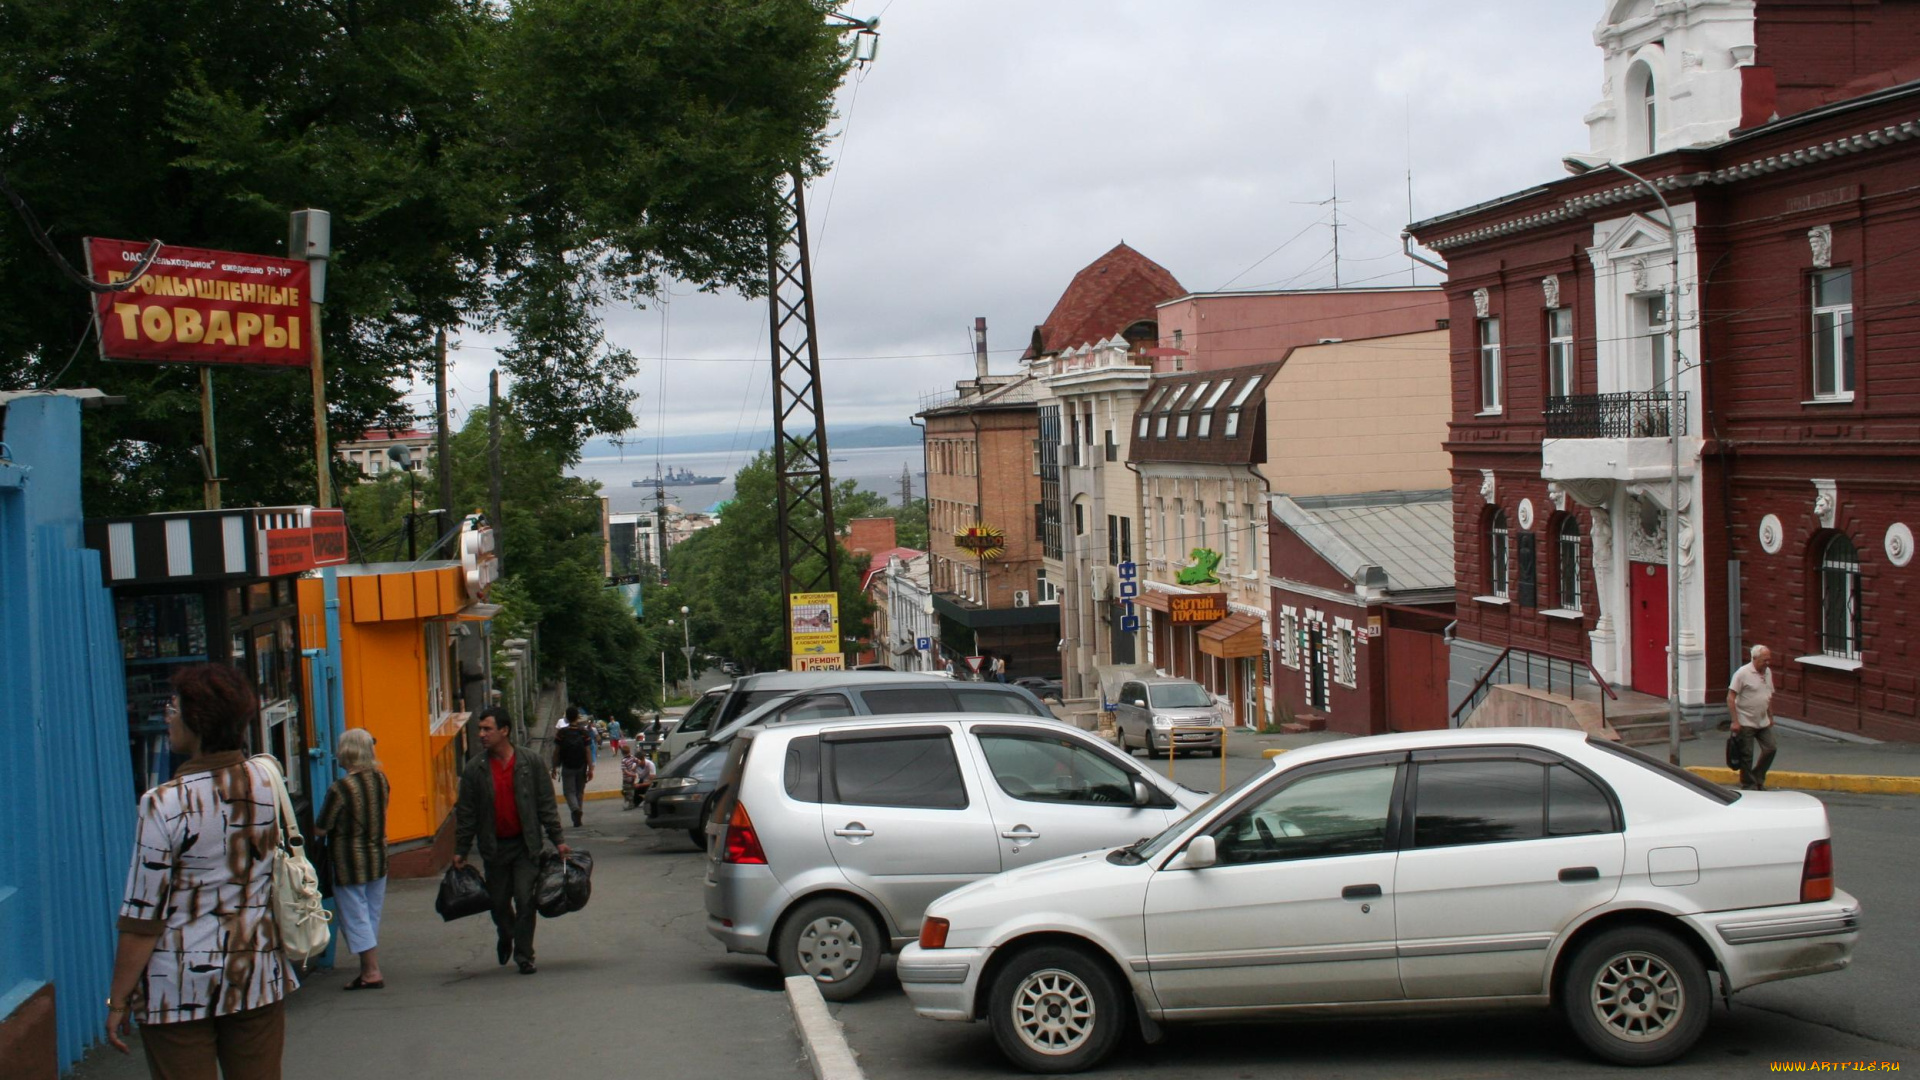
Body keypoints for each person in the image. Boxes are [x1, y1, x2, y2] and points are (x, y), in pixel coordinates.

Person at [104, 664, 298, 1078]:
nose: (167, 718)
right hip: (256, 972)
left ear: (198, 721)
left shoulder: (163, 803)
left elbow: (143, 915)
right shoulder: (266, 780)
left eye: (173, 709)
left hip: (177, 986)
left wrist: (118, 999)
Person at [454, 709, 569, 975]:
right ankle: (506, 934)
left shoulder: (530, 763)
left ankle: (524, 955)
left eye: (487, 729)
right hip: (494, 848)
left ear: (504, 731)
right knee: (498, 902)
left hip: (525, 846)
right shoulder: (476, 769)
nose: (481, 734)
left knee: (525, 899)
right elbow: (467, 813)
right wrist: (461, 849)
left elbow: (546, 804)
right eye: (480, 729)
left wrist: (558, 840)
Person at [317, 728, 390, 991]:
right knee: (370, 914)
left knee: (354, 915)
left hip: (348, 862)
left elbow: (322, 827)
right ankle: (367, 967)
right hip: (378, 858)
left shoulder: (341, 788)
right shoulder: (381, 780)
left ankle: (371, 971)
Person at [1728, 644, 1778, 790]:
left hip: (1762, 720)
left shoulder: (1768, 672)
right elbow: (1731, 697)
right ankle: (1748, 784)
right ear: (1755, 659)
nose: (1768, 663)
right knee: (1746, 755)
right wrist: (1735, 721)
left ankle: (1757, 777)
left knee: (1771, 748)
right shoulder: (1742, 673)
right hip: (1745, 721)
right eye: (1764, 660)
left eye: (1769, 660)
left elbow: (1768, 695)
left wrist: (1770, 715)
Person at [552, 706, 593, 828]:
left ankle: (575, 810)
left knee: (569, 792)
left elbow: (556, 751)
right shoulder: (583, 732)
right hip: (581, 765)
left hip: (567, 766)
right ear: (577, 717)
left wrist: (554, 767)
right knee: (579, 792)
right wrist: (591, 768)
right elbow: (588, 751)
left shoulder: (562, 733)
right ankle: (577, 818)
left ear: (566, 718)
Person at [620, 743, 655, 810]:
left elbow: (651, 782)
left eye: (640, 761)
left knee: (649, 789)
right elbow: (632, 775)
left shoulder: (650, 765)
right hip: (642, 781)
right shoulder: (635, 765)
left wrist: (640, 785)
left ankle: (647, 798)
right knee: (629, 793)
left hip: (648, 784)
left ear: (643, 759)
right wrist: (632, 783)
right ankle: (640, 798)